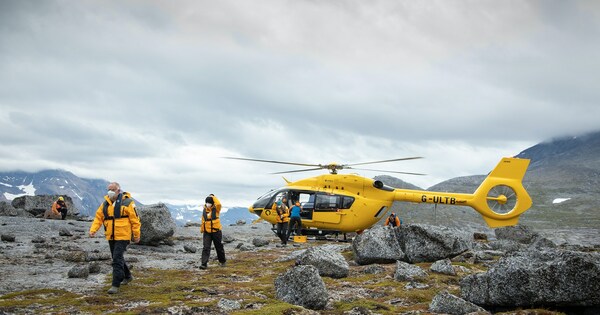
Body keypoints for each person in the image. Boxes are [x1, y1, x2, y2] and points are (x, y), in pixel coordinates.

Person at [89, 182, 141, 294]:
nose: (110, 191)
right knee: (117, 257)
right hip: (111, 235)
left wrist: (136, 235)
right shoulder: (105, 204)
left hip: (123, 235)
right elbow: (98, 218)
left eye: (112, 189)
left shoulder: (128, 203)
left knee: (117, 258)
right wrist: (93, 230)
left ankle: (115, 284)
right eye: (109, 189)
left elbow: (135, 220)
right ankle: (128, 276)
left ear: (118, 190)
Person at [199, 194, 226, 269]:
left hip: (216, 231)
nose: (208, 204)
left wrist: (212, 197)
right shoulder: (205, 210)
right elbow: (203, 221)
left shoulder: (216, 209)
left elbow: (219, 203)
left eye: (209, 202)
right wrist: (202, 230)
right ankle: (204, 264)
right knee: (206, 247)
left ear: (212, 203)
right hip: (207, 232)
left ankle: (222, 261)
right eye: (207, 202)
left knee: (219, 247)